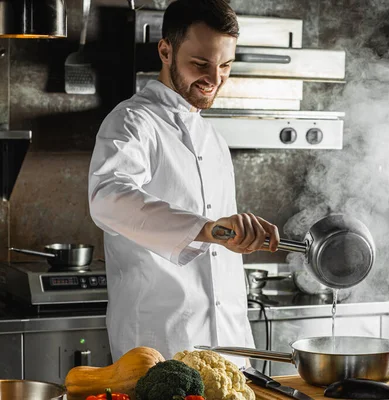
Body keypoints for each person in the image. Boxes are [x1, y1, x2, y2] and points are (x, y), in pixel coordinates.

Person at [88, 0, 280, 367]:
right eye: (200, 64)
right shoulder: (131, 122)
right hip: (161, 345)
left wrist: (233, 234)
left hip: (231, 348)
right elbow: (107, 198)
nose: (215, 78)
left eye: (225, 65)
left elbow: (219, 257)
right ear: (166, 50)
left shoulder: (214, 140)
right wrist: (206, 229)